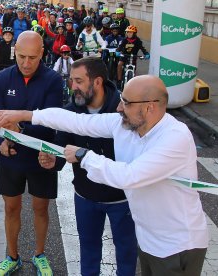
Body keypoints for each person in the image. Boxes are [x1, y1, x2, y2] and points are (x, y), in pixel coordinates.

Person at [0, 74, 209, 276]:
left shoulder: (175, 138)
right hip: (149, 240)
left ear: (150, 107)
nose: (119, 107)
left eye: (126, 102)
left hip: (177, 245)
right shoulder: (126, 125)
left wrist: (84, 156)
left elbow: (129, 176)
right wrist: (27, 115)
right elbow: (77, 122)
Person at [52, 57, 138, 275]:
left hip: (123, 199)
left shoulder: (124, 107)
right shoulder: (71, 110)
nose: (73, 87)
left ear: (97, 82)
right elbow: (61, 149)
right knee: (89, 252)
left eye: (79, 81)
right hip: (85, 196)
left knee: (126, 254)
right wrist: (52, 160)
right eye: (71, 81)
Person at [0, 31, 63, 276]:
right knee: (11, 208)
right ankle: (12, 257)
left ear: (42, 53)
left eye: (33, 57)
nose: (26, 63)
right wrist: (1, 140)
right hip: (11, 156)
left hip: (42, 157)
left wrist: (20, 127)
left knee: (41, 208)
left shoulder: (53, 80)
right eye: (21, 56)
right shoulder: (2, 79)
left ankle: (40, 255)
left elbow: (52, 124)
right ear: (15, 52)